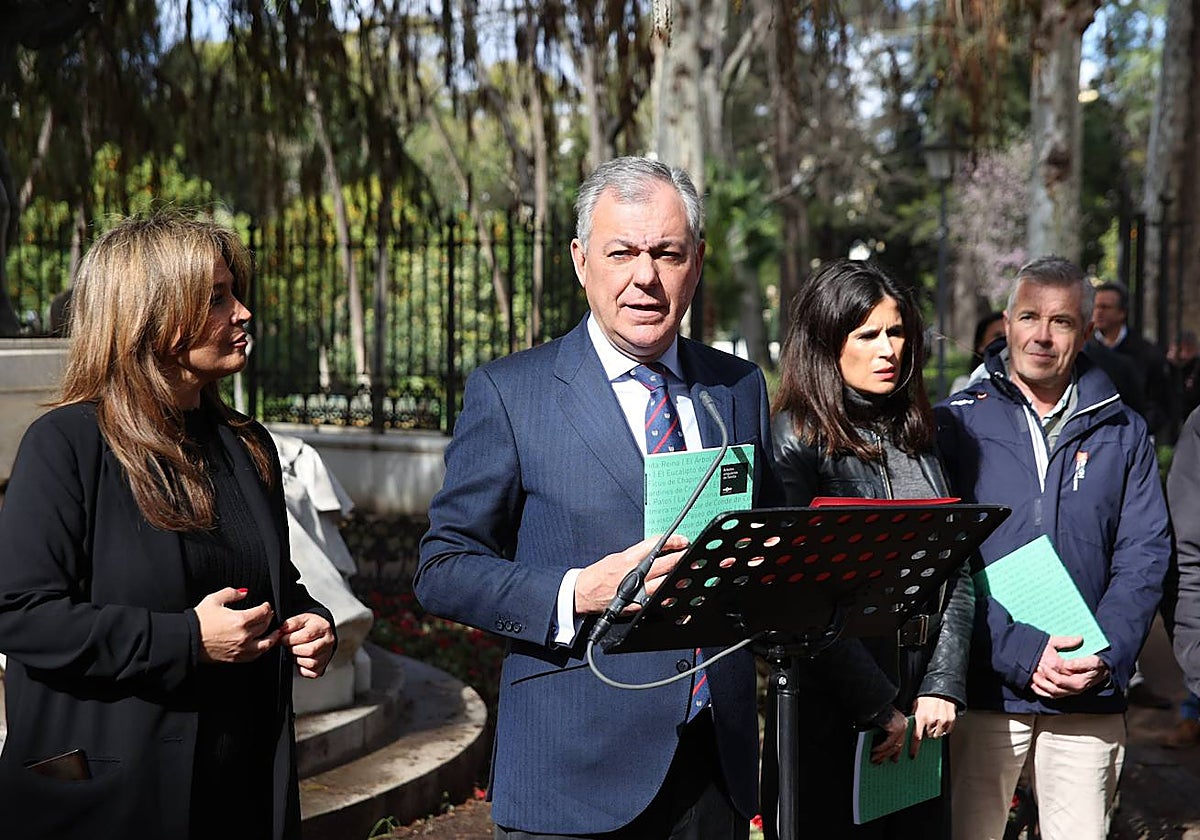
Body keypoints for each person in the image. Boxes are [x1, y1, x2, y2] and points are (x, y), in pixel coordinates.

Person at [415, 156, 780, 839]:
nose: (646, 276)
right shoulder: (512, 394)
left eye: (667, 253)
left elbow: (767, 540)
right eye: (623, 253)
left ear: (695, 262)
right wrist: (577, 589)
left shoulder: (738, 387)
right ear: (583, 261)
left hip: (713, 772)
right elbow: (442, 568)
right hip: (572, 778)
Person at [0, 214, 337, 840]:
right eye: (216, 298)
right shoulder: (69, 444)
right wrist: (185, 640)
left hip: (236, 791)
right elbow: (20, 613)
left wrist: (308, 618)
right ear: (150, 315)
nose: (242, 313)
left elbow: (270, 582)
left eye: (235, 292)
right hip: (112, 800)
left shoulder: (246, 446)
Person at [936, 256, 1171, 840]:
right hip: (986, 689)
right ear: (1007, 324)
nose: (1041, 335)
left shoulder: (1124, 432)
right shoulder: (954, 425)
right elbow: (947, 561)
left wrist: (1104, 654)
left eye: (1061, 321)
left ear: (1087, 333)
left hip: (1087, 689)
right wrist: (1022, 652)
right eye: (1029, 317)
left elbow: (1145, 554)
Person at [770, 258, 973, 837]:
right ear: (828, 343)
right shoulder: (796, 436)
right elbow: (796, 589)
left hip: (922, 694)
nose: (889, 349)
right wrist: (877, 706)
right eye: (868, 335)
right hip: (838, 700)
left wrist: (942, 683)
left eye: (897, 331)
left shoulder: (918, 431)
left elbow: (954, 566)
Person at [1088, 280, 1172, 440]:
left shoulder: (1146, 352)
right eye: (1096, 307)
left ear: (1122, 313)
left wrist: (1140, 428)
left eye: (1105, 307)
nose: (1098, 312)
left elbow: (1160, 402)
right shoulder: (1085, 349)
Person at [948, 310, 1004, 394]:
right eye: (997, 335)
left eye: (1009, 334)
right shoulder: (964, 384)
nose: (1005, 340)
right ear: (980, 345)